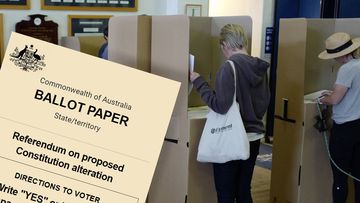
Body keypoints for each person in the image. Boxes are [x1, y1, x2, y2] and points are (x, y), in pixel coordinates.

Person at [190, 24, 270, 203]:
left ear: (225, 44)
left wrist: (198, 82)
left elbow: (220, 106)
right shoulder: (260, 68)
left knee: (225, 192)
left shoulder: (229, 67)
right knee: (243, 190)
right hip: (254, 137)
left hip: (231, 138)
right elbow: (264, 101)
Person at [318, 32, 360, 203]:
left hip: (345, 129)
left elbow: (335, 99)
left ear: (341, 55)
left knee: (340, 177)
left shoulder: (347, 69)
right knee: (358, 176)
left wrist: (322, 98)